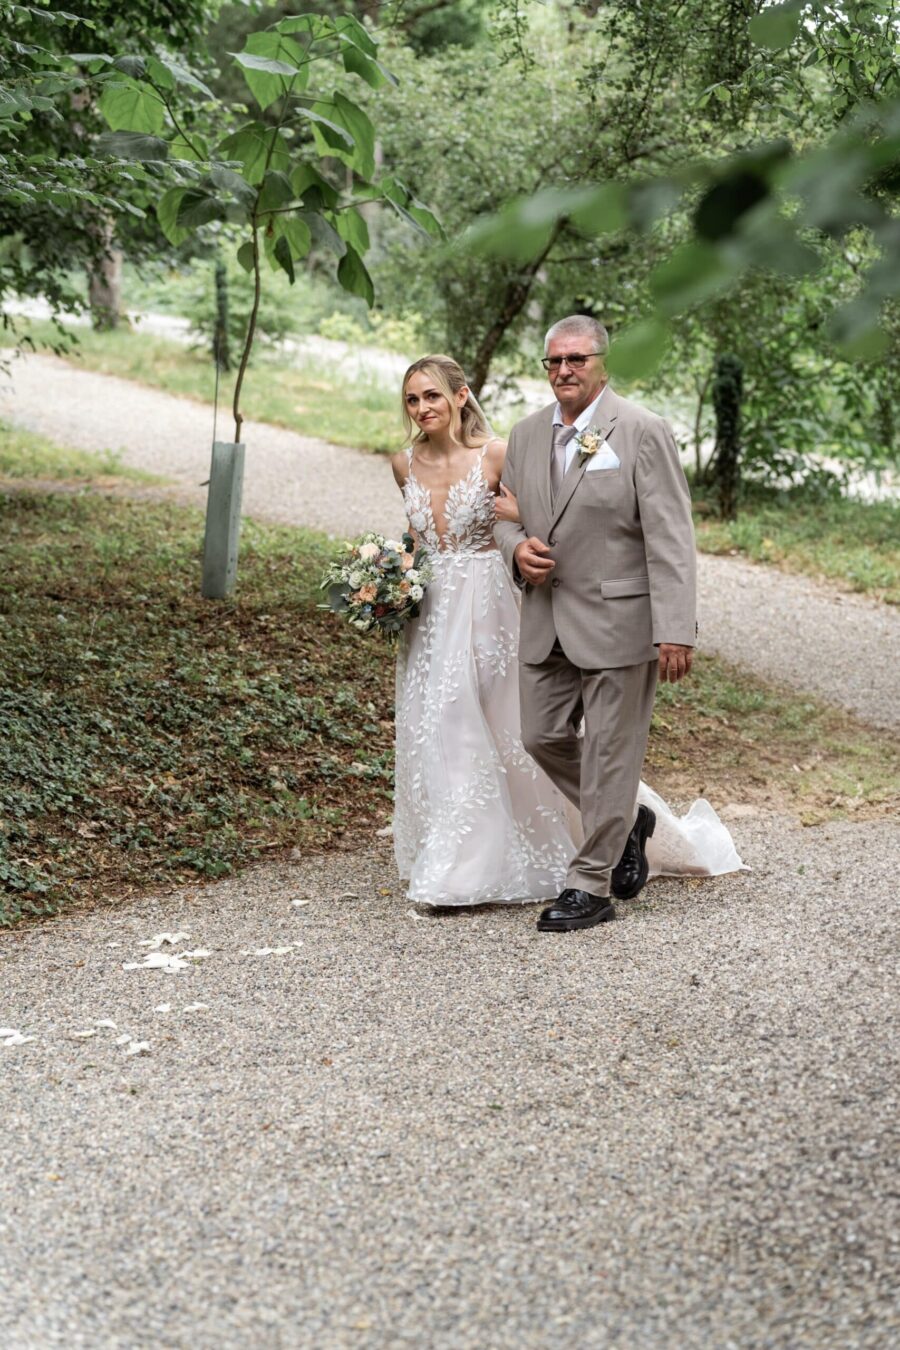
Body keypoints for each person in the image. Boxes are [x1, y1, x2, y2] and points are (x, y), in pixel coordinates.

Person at [391, 353, 742, 912]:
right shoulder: (407, 462)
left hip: (495, 609)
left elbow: (543, 519)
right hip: (434, 616)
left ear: (460, 396)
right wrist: (388, 584)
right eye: (412, 398)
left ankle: (558, 867)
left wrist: (675, 626)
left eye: (432, 395)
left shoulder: (505, 451)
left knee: (504, 732)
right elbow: (427, 537)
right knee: (464, 731)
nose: (422, 407)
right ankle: (466, 854)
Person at [494, 314, 702, 932]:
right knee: (540, 735)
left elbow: (671, 535)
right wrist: (514, 548)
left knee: (612, 750)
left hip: (621, 618)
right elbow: (506, 513)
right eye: (553, 362)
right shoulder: (526, 435)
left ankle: (592, 883)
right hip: (546, 616)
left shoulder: (641, 431)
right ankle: (628, 818)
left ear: (602, 363)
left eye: (576, 360)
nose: (563, 372)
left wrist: (676, 625)